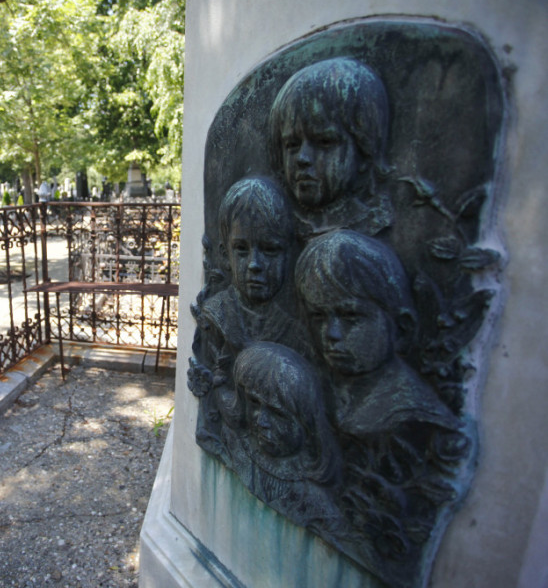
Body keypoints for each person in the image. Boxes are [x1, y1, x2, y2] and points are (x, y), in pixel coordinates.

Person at [294, 229, 467, 562]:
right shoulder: (325, 391)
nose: (331, 334)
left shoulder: (415, 419)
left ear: (400, 327)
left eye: (350, 316)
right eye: (319, 316)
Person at [190, 176, 310, 459]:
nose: (255, 264)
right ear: (224, 254)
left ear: (289, 252)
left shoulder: (299, 331)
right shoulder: (216, 315)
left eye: (269, 249)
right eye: (242, 249)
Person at [269, 57, 392, 240]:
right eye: (292, 144)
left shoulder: (372, 224)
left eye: (324, 142)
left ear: (364, 152)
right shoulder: (278, 232)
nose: (302, 158)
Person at [227, 342, 343, 531]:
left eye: (276, 413)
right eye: (254, 402)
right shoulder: (236, 449)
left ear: (306, 423)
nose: (261, 421)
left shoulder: (316, 504)